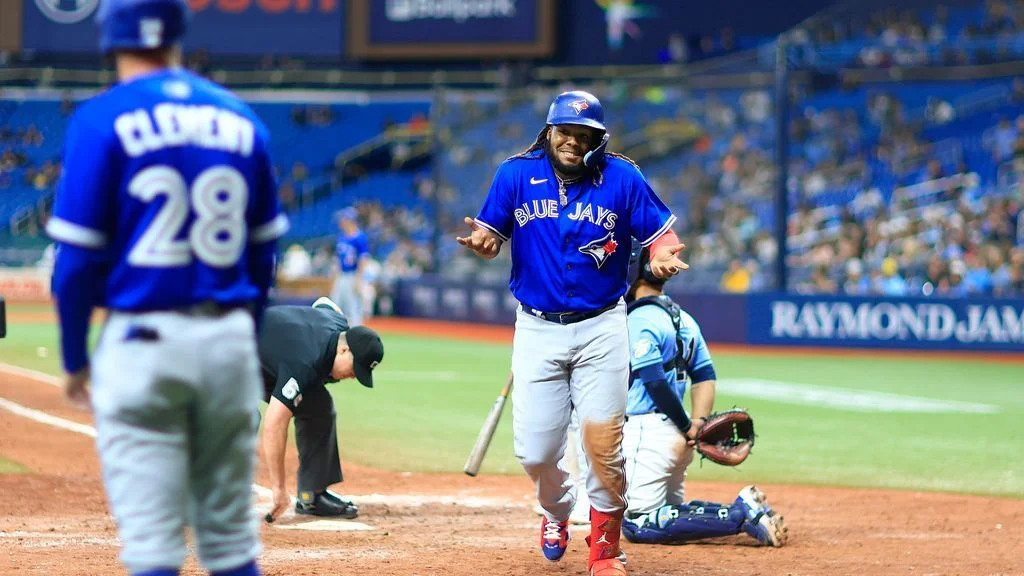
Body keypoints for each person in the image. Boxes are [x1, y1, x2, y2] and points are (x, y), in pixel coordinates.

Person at [45, 1, 288, 575]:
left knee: (154, 547)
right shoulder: (240, 118)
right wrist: (243, 339)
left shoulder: (102, 119)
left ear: (109, 40)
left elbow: (75, 263)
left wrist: (77, 357)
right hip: (226, 338)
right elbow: (263, 257)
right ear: (179, 36)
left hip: (142, 341)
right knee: (229, 544)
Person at [456, 90, 688, 576]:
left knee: (604, 445)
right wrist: (484, 241)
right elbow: (490, 233)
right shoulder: (514, 174)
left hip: (603, 327)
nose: (572, 141)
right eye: (565, 132)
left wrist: (663, 253)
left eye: (584, 135)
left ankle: (605, 550)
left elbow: (660, 232)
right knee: (536, 452)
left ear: (598, 140)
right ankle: (556, 511)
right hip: (537, 328)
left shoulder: (622, 176)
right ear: (548, 131)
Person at [619, 244, 788, 547]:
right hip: (675, 434)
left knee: (638, 522)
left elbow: (654, 381)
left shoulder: (638, 319)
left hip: (648, 432)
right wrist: (696, 423)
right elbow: (705, 376)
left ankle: (740, 516)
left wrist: (687, 426)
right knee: (670, 513)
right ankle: (747, 509)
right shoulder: (684, 319)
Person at [259, 297, 385, 523]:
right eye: (355, 368)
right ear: (344, 349)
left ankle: (311, 496)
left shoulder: (338, 326)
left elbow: (324, 304)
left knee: (318, 406)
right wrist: (278, 488)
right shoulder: (306, 361)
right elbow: (274, 425)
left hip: (266, 361)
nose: (354, 376)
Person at [331, 207, 370, 325]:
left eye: (344, 219)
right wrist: (335, 277)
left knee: (353, 305)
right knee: (335, 303)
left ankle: (357, 334)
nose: (341, 222)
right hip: (342, 275)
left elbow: (363, 259)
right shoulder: (341, 237)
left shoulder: (360, 238)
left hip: (353, 274)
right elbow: (338, 260)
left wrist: (359, 278)